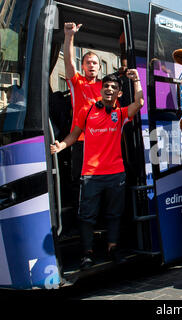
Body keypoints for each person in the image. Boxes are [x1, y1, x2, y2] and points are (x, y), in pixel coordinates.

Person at [50, 70, 144, 269]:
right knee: (87, 216)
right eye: (106, 86)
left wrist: (136, 80)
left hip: (116, 174)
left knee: (114, 214)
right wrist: (61, 146)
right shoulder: (87, 109)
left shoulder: (120, 114)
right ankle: (87, 254)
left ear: (119, 93)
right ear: (101, 90)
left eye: (114, 87)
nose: (109, 89)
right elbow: (73, 135)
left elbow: (139, 103)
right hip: (91, 174)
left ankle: (113, 248)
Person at [63, 22, 103, 220]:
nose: (91, 65)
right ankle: (83, 221)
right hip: (81, 143)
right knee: (80, 183)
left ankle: (99, 218)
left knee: (102, 183)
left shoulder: (107, 87)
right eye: (88, 62)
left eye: (94, 62)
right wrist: (70, 36)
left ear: (100, 66)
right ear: (83, 66)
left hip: (103, 144)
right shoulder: (77, 82)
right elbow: (69, 63)